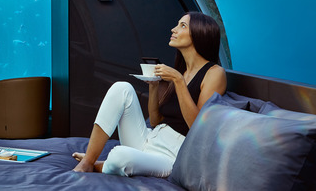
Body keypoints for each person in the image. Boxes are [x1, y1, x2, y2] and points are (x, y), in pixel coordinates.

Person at [72, 11, 226, 177]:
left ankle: (100, 165)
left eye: (182, 26)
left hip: (171, 155)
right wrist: (154, 85)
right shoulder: (181, 70)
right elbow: (155, 121)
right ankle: (88, 161)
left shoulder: (214, 73)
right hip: (149, 139)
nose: (173, 29)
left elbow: (199, 129)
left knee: (119, 155)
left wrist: (178, 80)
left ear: (200, 34)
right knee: (121, 87)